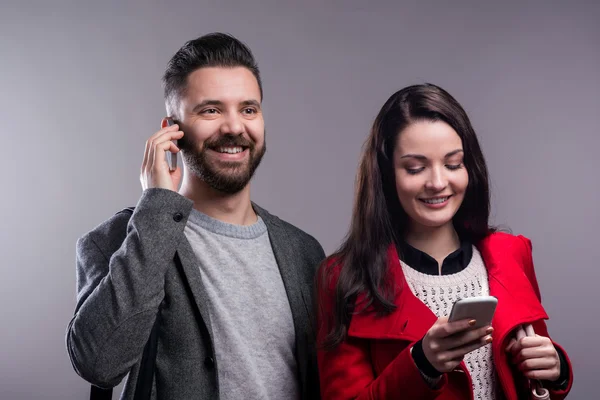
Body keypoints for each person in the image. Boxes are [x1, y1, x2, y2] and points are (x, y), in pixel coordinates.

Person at [66, 32, 324, 400]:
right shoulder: (118, 239)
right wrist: (156, 205)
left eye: (248, 109)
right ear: (172, 130)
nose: (235, 127)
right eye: (211, 110)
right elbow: (99, 364)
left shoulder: (304, 253)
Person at [316, 83, 572, 399]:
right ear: (387, 173)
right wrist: (421, 363)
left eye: (453, 164)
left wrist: (556, 370)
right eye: (415, 167)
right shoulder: (343, 277)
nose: (438, 183)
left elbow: (535, 380)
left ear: (470, 167)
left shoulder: (510, 253)